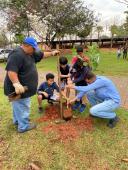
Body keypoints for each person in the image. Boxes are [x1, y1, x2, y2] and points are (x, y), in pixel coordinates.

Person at [4, 37, 59, 133]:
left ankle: (18, 121)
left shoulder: (30, 53)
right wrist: (16, 83)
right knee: (23, 105)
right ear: (26, 46)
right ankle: (23, 126)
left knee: (17, 105)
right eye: (33, 48)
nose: (34, 50)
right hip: (18, 88)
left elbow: (41, 55)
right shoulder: (16, 54)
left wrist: (52, 53)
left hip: (24, 88)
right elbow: (11, 71)